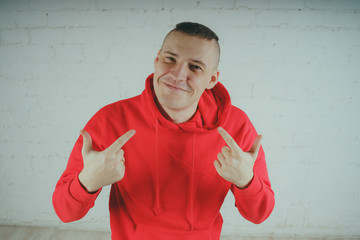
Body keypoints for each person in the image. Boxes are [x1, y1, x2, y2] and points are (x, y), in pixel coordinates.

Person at [53, 22, 275, 240]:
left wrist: (247, 181)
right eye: (170, 59)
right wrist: (87, 182)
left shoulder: (236, 126)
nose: (178, 74)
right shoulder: (112, 119)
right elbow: (65, 212)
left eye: (195, 67)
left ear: (212, 79)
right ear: (157, 59)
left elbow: (258, 215)